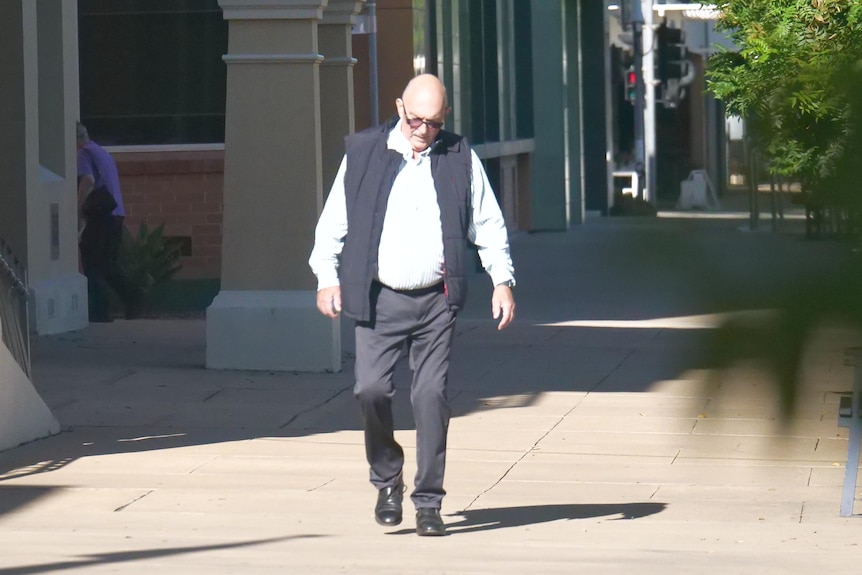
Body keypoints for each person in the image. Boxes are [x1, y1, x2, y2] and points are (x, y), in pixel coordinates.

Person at [309, 74, 516, 536]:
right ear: (399, 106)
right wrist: (327, 277)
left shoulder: (459, 156)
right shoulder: (364, 153)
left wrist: (501, 280)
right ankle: (387, 479)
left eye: (434, 123)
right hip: (379, 299)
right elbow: (333, 223)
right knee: (371, 390)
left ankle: (428, 502)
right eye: (415, 118)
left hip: (436, 302)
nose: (423, 129)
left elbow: (487, 220)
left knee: (430, 397)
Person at [76, 122, 141, 322]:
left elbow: (88, 181)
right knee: (107, 263)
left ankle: (100, 309)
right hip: (116, 212)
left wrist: (77, 209)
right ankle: (133, 298)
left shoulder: (83, 154)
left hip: (100, 215)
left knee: (90, 260)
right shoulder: (101, 152)